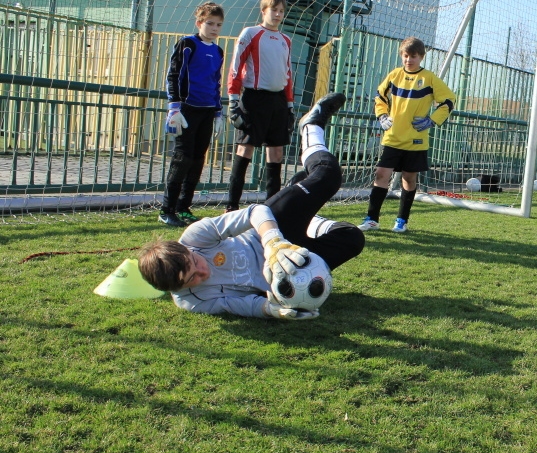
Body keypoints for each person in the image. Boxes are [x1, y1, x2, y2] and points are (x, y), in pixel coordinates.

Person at [138, 92, 365, 319]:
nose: (203, 272)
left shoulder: (195, 237)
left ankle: (311, 127)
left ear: (188, 251)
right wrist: (271, 310)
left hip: (272, 229)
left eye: (195, 262)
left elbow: (255, 211)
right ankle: (306, 211)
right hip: (288, 269)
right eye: (192, 279)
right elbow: (238, 304)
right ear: (175, 290)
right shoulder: (191, 301)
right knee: (352, 237)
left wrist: (273, 243)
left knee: (328, 175)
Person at [358, 37, 456, 233]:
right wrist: (382, 115)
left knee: (409, 179)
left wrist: (432, 120)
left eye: (413, 56)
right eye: (406, 55)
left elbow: (449, 100)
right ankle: (372, 219)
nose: (409, 60)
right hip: (393, 137)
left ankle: (402, 220)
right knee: (381, 174)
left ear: (421, 57)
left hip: (416, 141)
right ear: (401, 55)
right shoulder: (394, 75)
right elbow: (380, 96)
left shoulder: (429, 78)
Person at [225, 0, 296, 212]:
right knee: (245, 150)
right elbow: (235, 67)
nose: (278, 14)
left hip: (278, 101)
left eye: (281, 11)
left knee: (276, 153)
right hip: (254, 99)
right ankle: (231, 206)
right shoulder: (251, 33)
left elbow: (288, 74)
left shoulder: (286, 40)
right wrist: (233, 101)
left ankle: (271, 207)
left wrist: (290, 105)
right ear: (263, 11)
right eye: (274, 10)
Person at [159, 2, 226, 227]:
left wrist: (218, 113)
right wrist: (174, 108)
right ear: (199, 23)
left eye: (218, 24)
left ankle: (183, 207)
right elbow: (174, 74)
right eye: (210, 23)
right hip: (187, 109)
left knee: (198, 160)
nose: (214, 28)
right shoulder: (188, 44)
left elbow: (216, 82)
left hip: (207, 110)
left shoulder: (218, 51)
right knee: (182, 158)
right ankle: (166, 209)